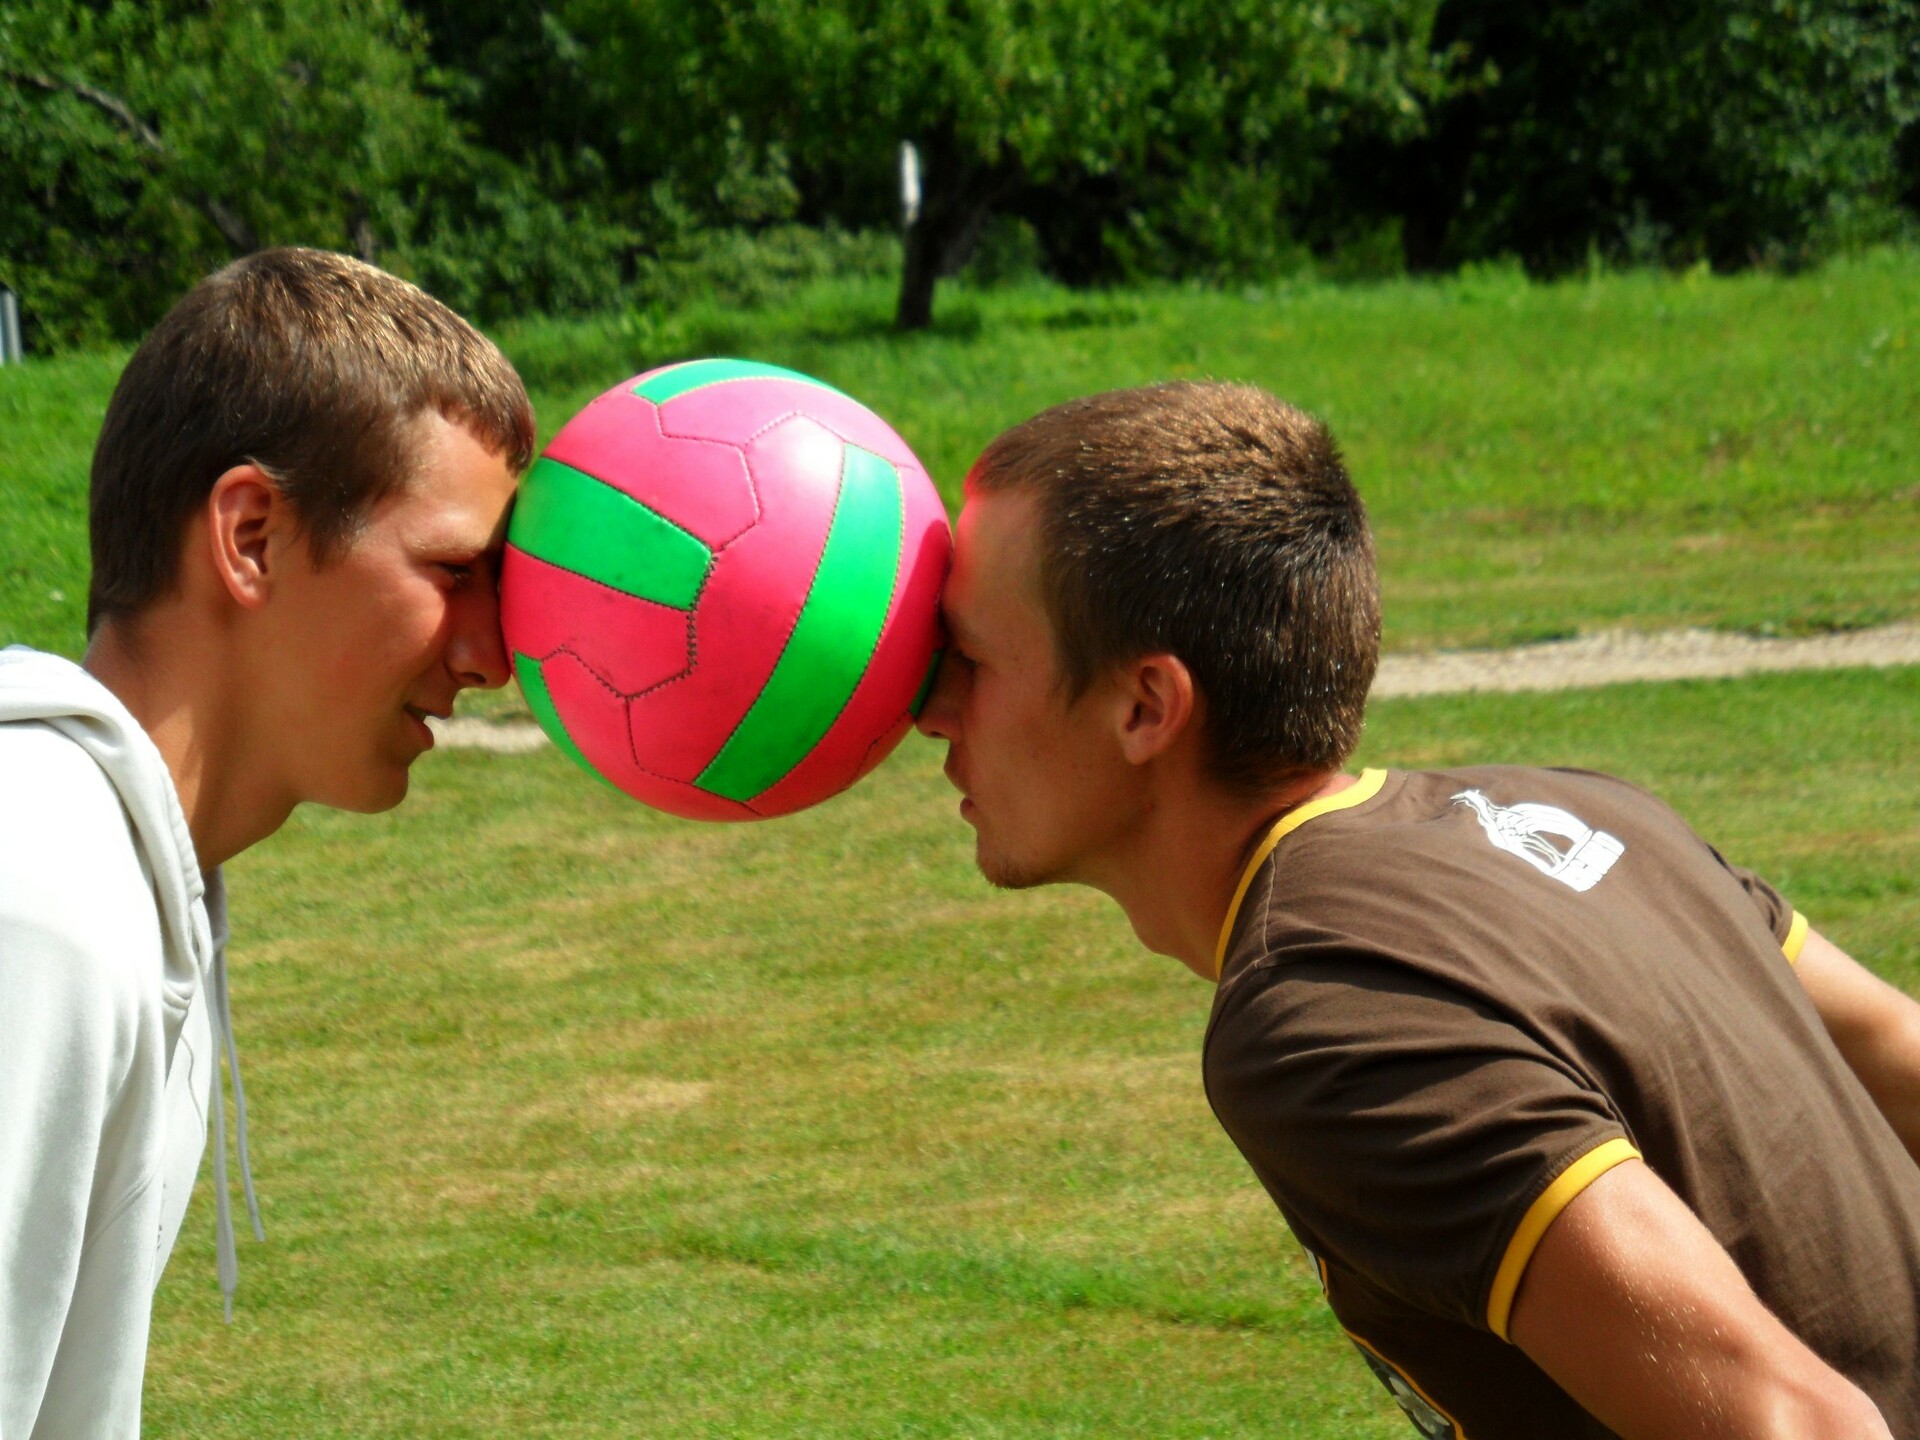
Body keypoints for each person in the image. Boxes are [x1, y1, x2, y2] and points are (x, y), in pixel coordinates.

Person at [913, 381, 1920, 1439]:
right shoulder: (1576, 810)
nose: (933, 711)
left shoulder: (1323, 1016)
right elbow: (1901, 1051)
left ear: (1145, 706)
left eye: (971, 661)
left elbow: (1794, 1421)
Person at [0, 247, 532, 1438]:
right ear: (249, 537)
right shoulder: (38, 901)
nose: (491, 655)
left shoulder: (117, 876)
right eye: (454, 572)